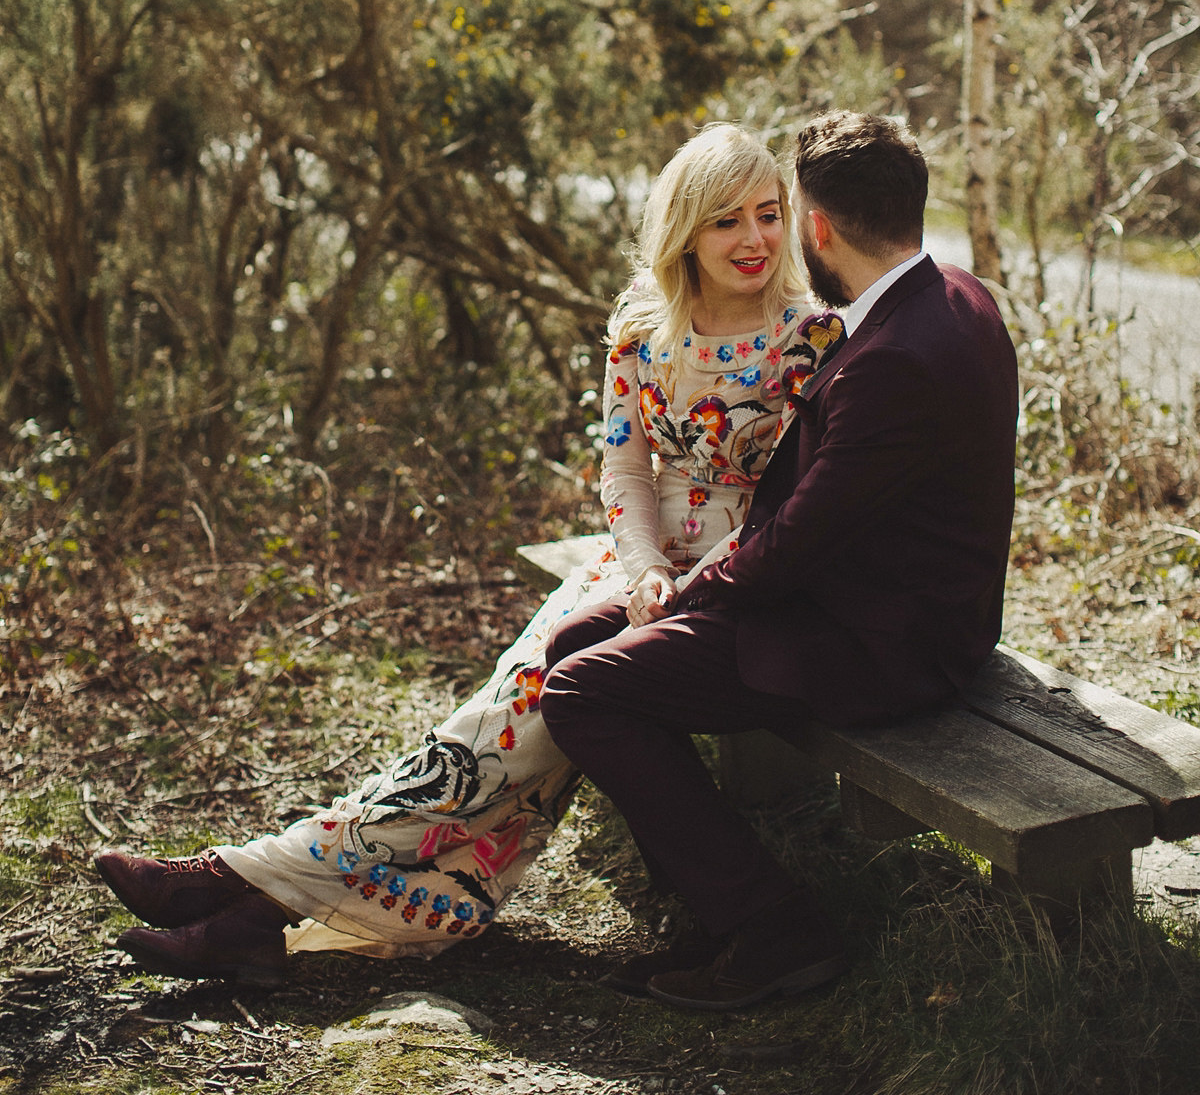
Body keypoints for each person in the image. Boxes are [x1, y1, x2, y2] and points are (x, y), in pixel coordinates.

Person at [94, 123, 845, 987]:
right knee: (505, 716)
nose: (754, 240)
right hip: (638, 565)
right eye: (727, 221)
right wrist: (641, 567)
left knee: (503, 730)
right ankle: (259, 906)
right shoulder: (643, 330)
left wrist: (689, 582)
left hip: (736, 572)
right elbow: (626, 466)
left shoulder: (810, 338)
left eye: (768, 214)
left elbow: (807, 495)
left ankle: (252, 884)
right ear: (685, 229)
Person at [538, 110, 1019, 1011]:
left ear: (818, 225)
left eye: (781, 214)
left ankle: (774, 932)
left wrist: (682, 597)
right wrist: (669, 589)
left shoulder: (893, 358)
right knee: (573, 647)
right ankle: (710, 908)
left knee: (580, 690)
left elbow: (796, 542)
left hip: (880, 640)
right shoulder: (953, 294)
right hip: (861, 595)